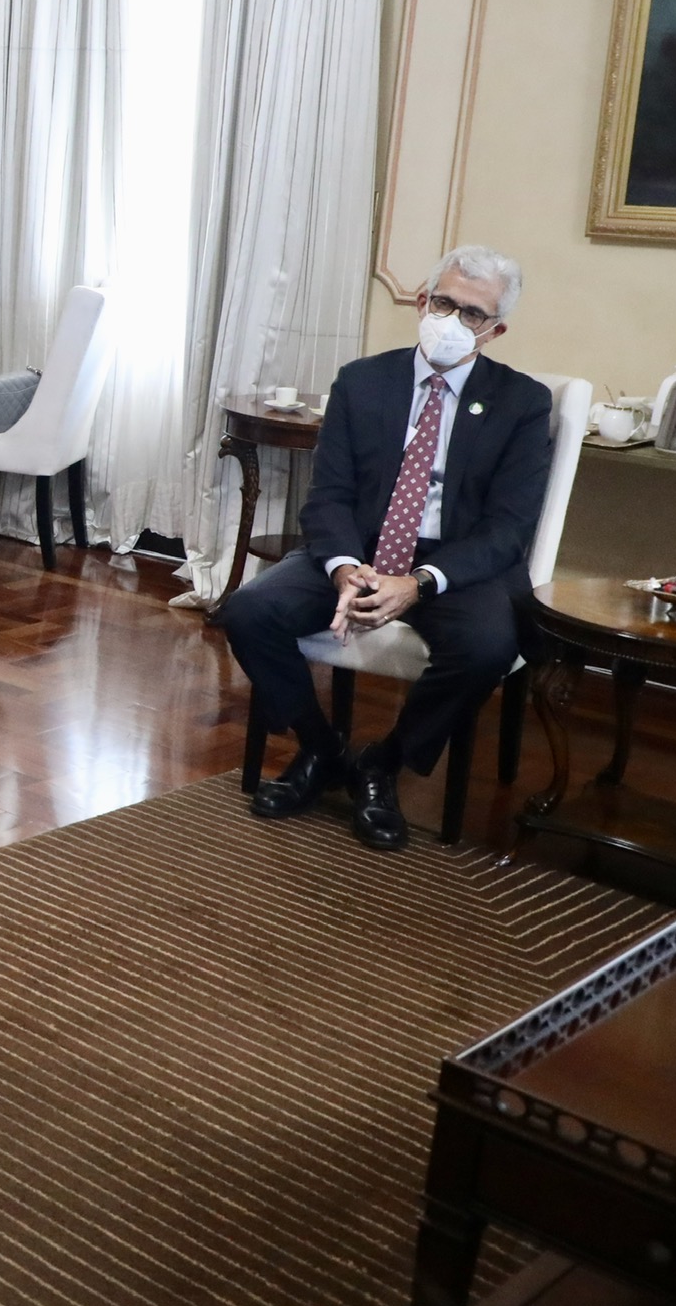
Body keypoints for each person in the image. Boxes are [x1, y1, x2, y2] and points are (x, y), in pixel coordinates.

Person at [217, 246, 551, 852]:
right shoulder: (362, 381)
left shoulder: (522, 402)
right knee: (248, 610)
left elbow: (508, 527)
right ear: (422, 301)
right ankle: (321, 749)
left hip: (458, 564)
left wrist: (418, 582)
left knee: (486, 648)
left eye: (473, 314)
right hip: (362, 548)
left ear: (495, 330)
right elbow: (329, 496)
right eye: (444, 302)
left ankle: (384, 763)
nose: (452, 320)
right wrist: (344, 567)